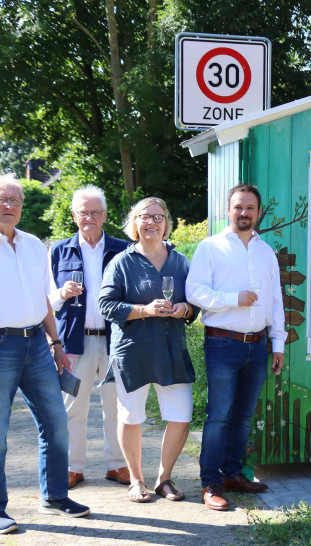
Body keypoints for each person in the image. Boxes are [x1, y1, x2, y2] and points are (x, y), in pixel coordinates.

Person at [187, 183, 286, 511]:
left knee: (243, 416)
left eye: (250, 208)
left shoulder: (266, 251)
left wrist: (278, 343)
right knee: (218, 416)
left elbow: (276, 300)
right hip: (222, 343)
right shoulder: (210, 247)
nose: (244, 213)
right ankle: (210, 482)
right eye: (238, 207)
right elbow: (194, 292)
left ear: (258, 213)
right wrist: (233, 299)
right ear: (228, 210)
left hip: (257, 347)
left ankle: (231, 474)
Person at [0, 173, 90, 534]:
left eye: (14, 200)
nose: (8, 206)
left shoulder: (36, 245)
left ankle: (54, 497)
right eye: (2, 199)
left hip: (37, 342)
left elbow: (44, 297)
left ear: (22, 206)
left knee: (55, 423)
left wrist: (56, 344)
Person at [98, 197, 197, 503]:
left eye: (158, 217)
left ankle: (163, 479)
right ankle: (136, 480)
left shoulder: (181, 262)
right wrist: (144, 310)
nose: (151, 222)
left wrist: (185, 308)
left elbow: (196, 303)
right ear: (135, 223)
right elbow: (105, 304)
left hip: (172, 348)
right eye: (145, 217)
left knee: (182, 415)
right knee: (130, 416)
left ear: (166, 223)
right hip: (133, 350)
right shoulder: (121, 261)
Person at [49, 185, 129, 489]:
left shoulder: (122, 248)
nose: (90, 217)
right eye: (84, 212)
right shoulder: (58, 250)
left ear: (105, 215)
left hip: (115, 340)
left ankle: (117, 465)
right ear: (74, 215)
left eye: (96, 212)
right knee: (73, 407)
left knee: (117, 405)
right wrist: (61, 293)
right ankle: (73, 467)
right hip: (73, 341)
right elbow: (45, 299)